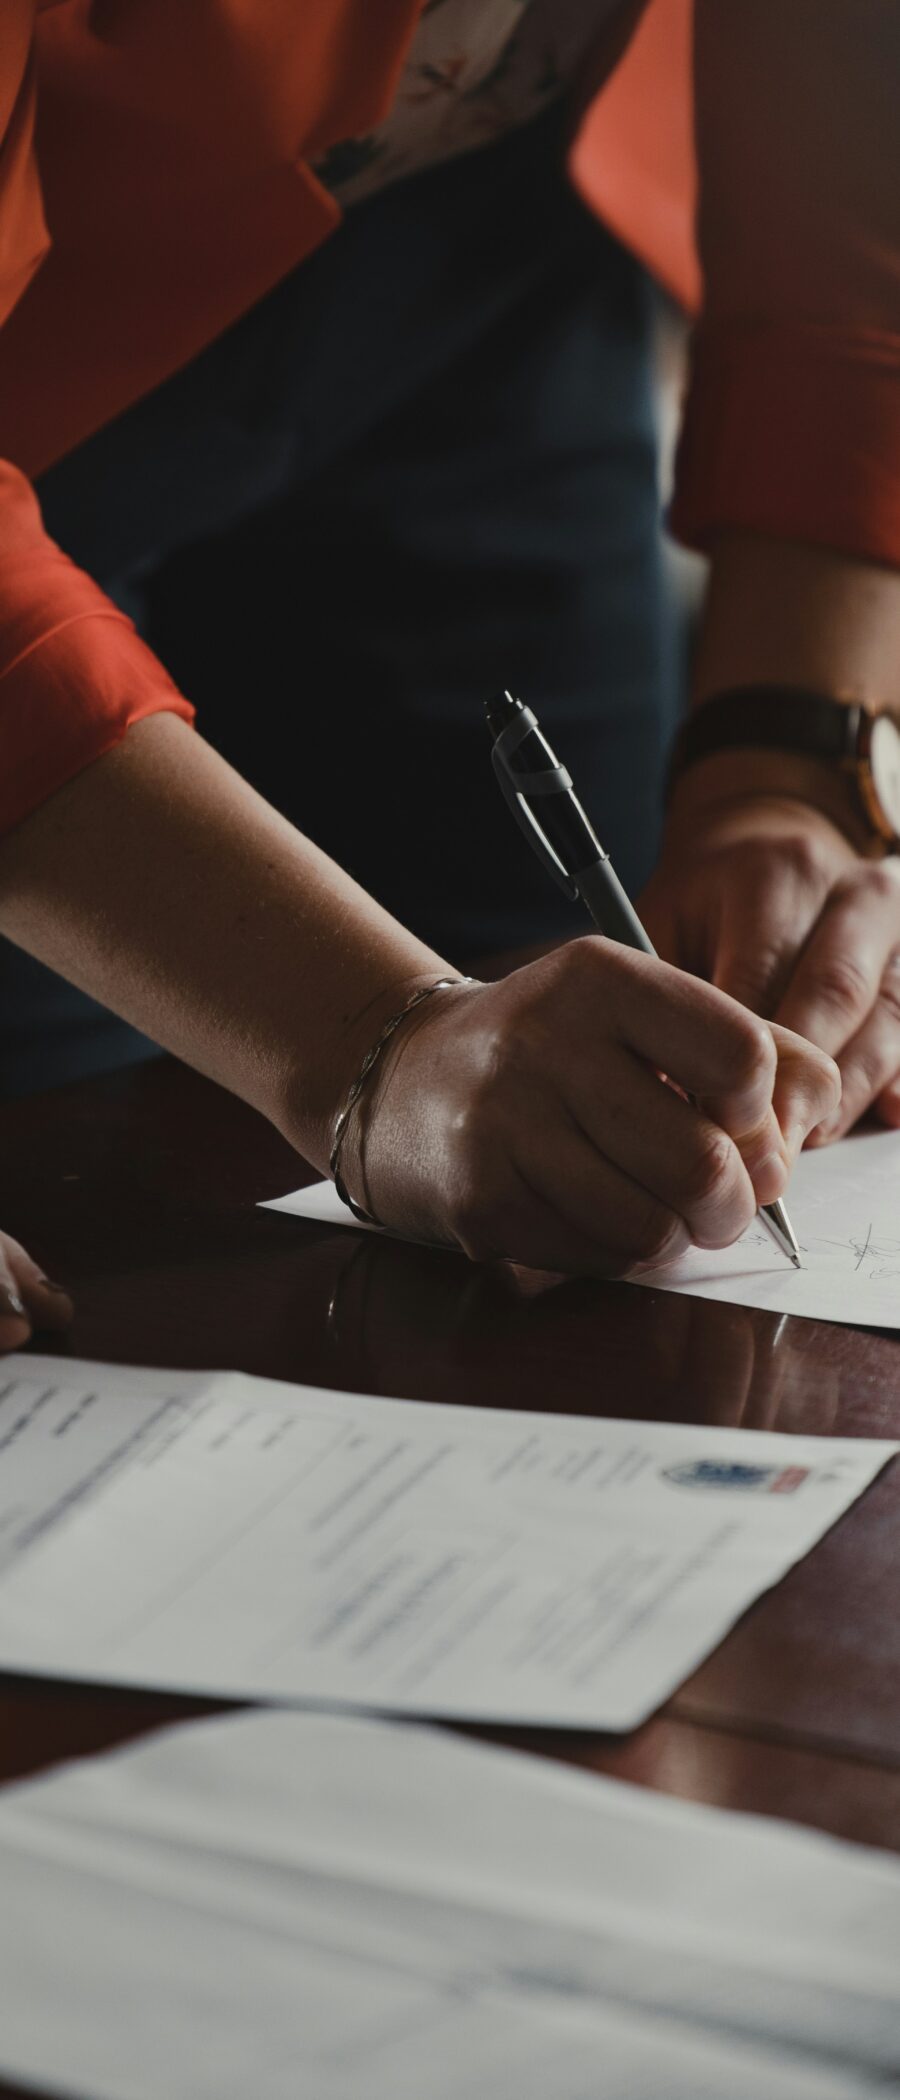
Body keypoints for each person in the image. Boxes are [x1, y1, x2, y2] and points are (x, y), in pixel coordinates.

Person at [0, 1, 896, 1305]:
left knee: (572, 1112)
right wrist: (367, 1047)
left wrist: (786, 762)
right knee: (83, 1194)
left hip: (479, 233)